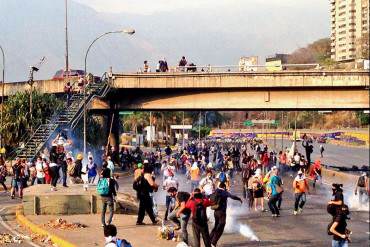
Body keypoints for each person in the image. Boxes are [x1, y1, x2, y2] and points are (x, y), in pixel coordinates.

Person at [100, 162, 117, 227]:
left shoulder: (101, 180)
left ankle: (102, 223)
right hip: (109, 197)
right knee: (111, 210)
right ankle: (108, 222)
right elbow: (113, 189)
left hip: (102, 196)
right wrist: (115, 196)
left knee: (103, 210)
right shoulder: (111, 180)